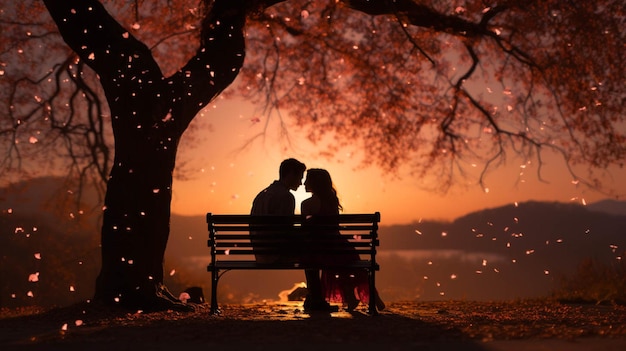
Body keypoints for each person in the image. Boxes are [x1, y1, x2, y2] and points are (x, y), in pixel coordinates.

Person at [250, 159, 335, 312]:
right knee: (312, 253)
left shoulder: (262, 195)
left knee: (310, 250)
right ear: (290, 174)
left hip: (260, 252)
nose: (301, 182)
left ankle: (314, 298)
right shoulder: (286, 197)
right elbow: (286, 231)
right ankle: (316, 299)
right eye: (300, 176)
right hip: (273, 253)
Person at [301, 168, 385, 312]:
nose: (303, 183)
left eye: (307, 180)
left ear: (315, 183)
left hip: (322, 249)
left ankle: (324, 297)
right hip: (340, 247)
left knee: (313, 262)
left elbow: (305, 229)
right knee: (343, 267)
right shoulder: (332, 200)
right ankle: (369, 297)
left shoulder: (308, 203)